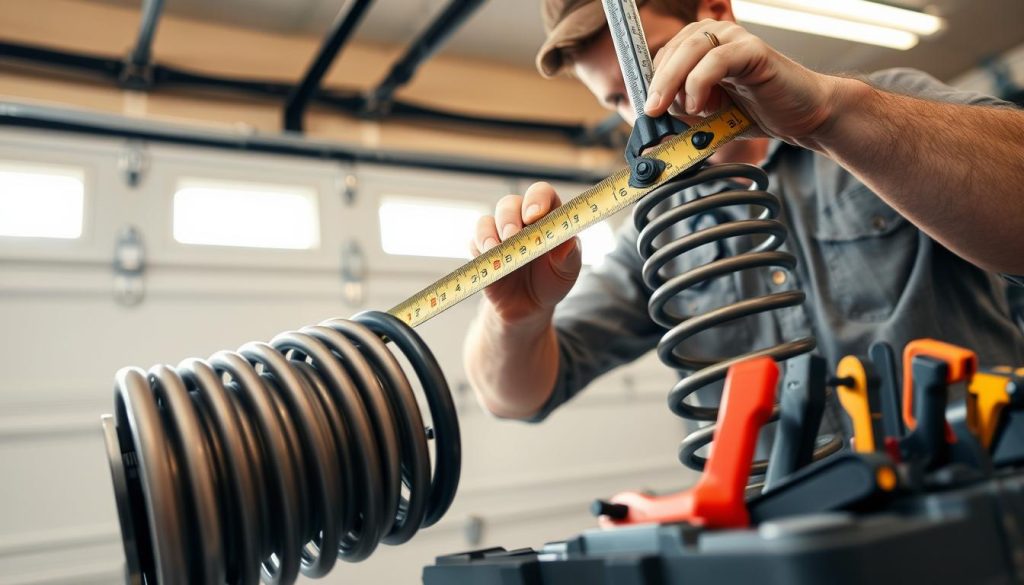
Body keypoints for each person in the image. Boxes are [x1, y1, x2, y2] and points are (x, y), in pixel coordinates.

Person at [464, 0, 1024, 426]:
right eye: (617, 99)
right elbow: (513, 397)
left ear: (716, 11)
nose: (647, 109)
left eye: (653, 65)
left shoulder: (888, 113)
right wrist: (516, 318)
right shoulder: (659, 234)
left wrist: (828, 116)